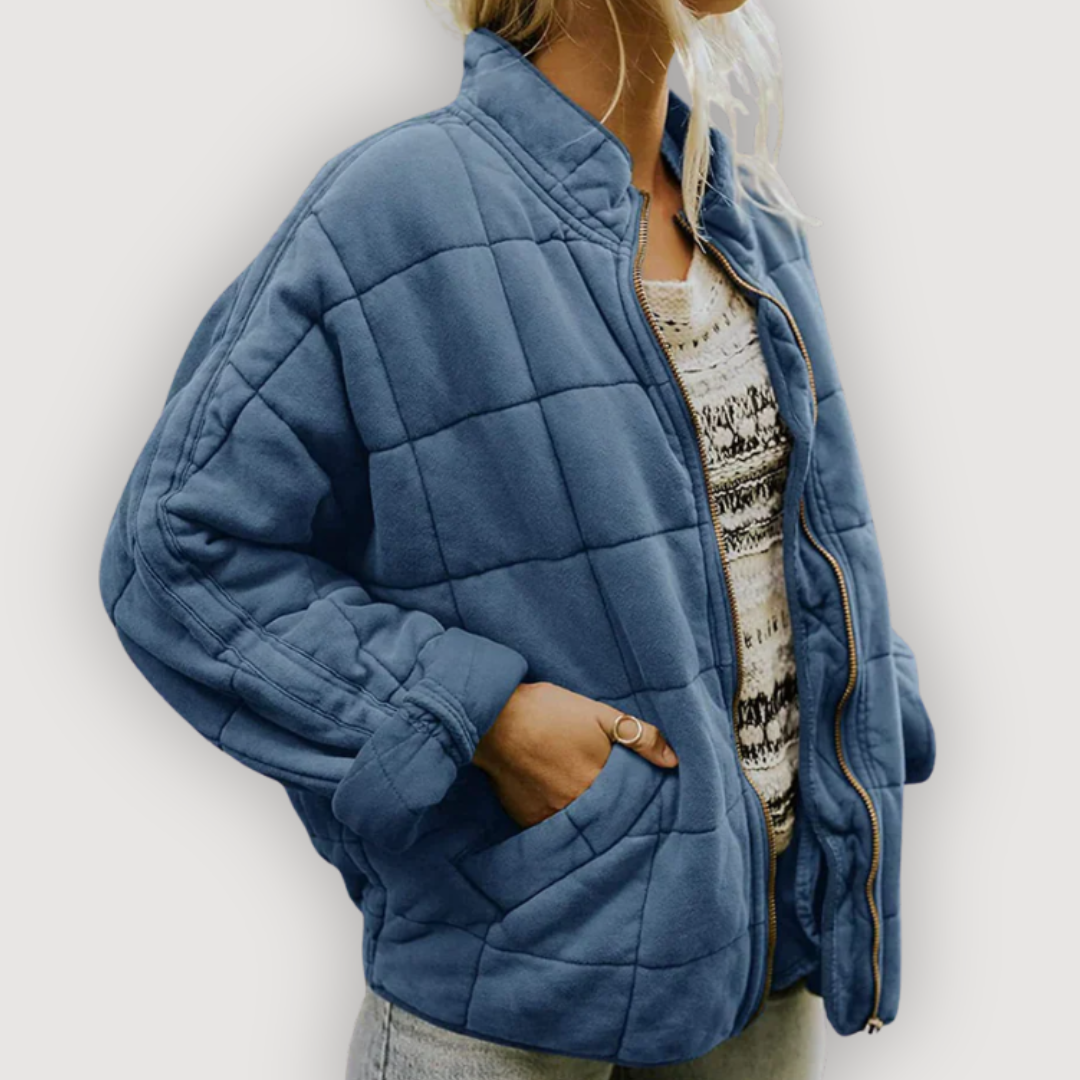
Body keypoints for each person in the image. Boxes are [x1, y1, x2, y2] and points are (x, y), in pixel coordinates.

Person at [97, 1, 937, 1076]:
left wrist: (866, 703)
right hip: (522, 981)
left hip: (758, 969)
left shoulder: (748, 218)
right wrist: (484, 717)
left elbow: (781, 537)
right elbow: (176, 549)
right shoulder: (399, 206)